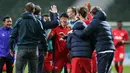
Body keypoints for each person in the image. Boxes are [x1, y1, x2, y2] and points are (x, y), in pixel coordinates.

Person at [73, 6, 115, 73]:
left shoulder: (95, 22)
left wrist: (74, 31)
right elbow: (112, 37)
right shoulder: (106, 23)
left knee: (101, 71)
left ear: (92, 14)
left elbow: (84, 34)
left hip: (102, 50)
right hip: (111, 50)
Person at [9, 2, 48, 73]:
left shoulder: (19, 21)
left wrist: (11, 48)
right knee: (33, 71)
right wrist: (45, 49)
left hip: (21, 49)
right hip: (34, 49)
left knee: (19, 71)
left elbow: (13, 36)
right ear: (33, 10)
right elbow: (43, 37)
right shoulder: (37, 22)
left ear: (25, 10)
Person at [67, 6, 93, 73]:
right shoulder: (90, 29)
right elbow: (93, 42)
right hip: (88, 56)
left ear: (78, 14)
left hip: (76, 57)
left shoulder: (72, 32)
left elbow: (68, 46)